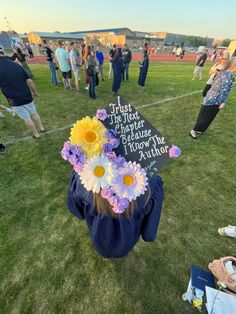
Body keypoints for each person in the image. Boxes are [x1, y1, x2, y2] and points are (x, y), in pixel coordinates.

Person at [62, 114, 164, 259]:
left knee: (102, 246)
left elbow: (75, 209)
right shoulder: (151, 185)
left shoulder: (83, 179)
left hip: (99, 234)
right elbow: (149, 230)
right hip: (129, 238)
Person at [0, 47, 45, 139]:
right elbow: (29, 80)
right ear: (3, 54)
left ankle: (36, 134)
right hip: (26, 95)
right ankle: (41, 128)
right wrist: (35, 92)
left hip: (14, 99)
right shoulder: (16, 65)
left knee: (26, 117)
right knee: (33, 112)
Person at [189, 57, 236, 139]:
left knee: (203, 115)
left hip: (209, 97)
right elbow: (224, 90)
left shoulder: (222, 72)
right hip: (215, 100)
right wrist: (223, 102)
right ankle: (193, 131)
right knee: (207, 117)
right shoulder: (228, 75)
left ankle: (199, 129)